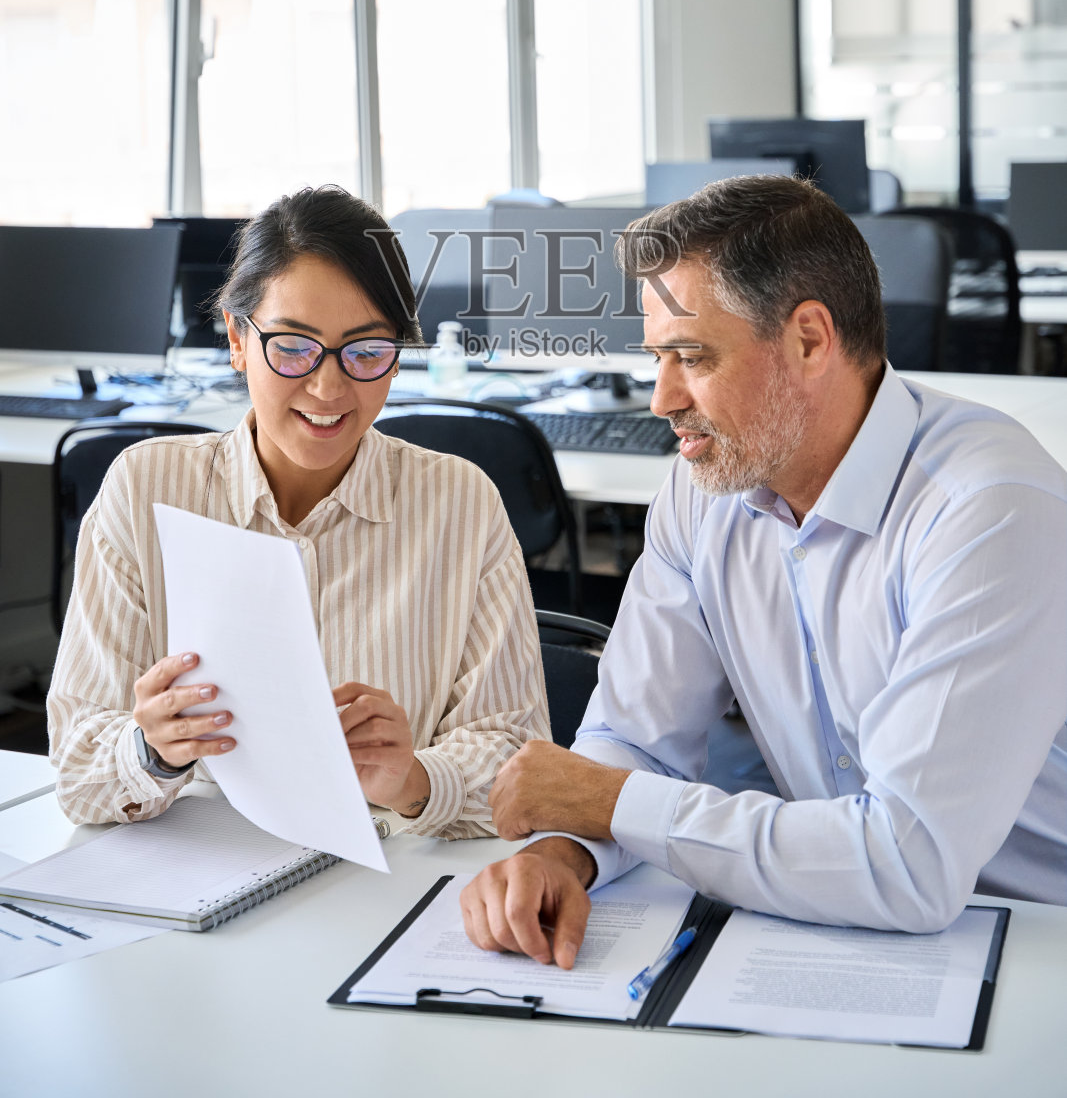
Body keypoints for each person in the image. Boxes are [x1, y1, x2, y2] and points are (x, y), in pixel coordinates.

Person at [460, 176, 1067, 967]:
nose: (660, 399)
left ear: (809, 340)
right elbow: (636, 739)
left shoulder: (987, 509)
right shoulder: (703, 486)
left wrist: (612, 804)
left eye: (691, 357)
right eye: (657, 359)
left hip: (1029, 937)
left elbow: (908, 863)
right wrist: (559, 856)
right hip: (828, 918)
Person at [49, 186, 549, 835]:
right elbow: (78, 775)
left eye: (367, 350)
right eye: (293, 345)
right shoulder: (147, 488)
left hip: (388, 866)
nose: (328, 386)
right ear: (236, 337)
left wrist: (415, 779)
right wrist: (150, 749)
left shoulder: (460, 503)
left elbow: (515, 756)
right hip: (196, 862)